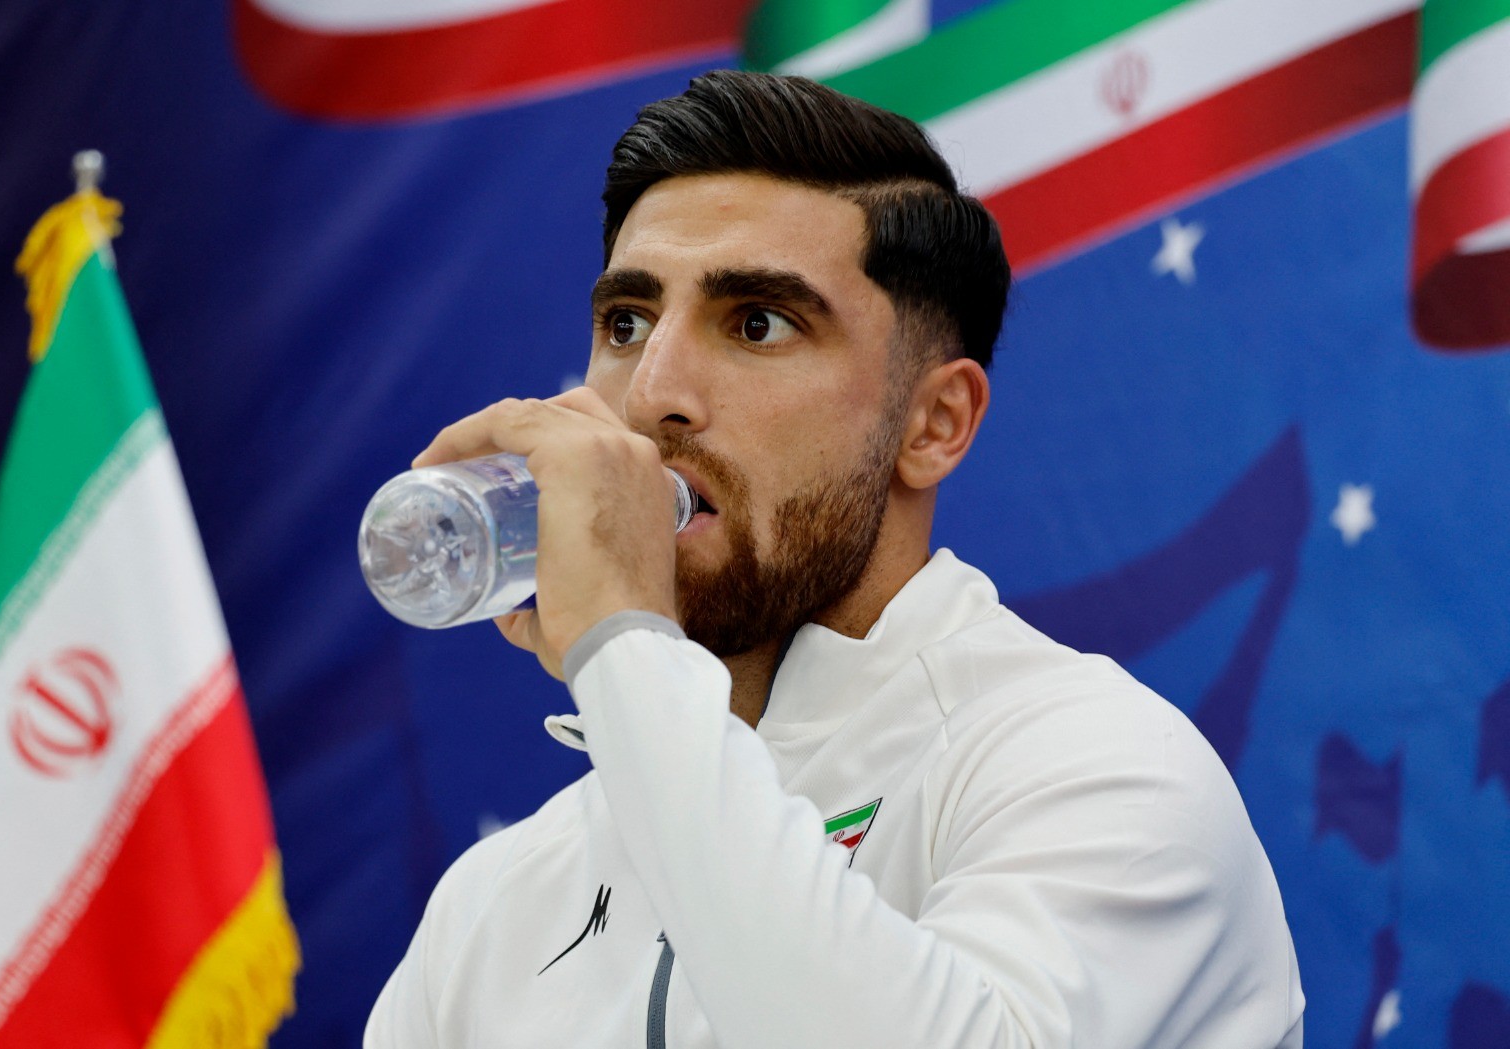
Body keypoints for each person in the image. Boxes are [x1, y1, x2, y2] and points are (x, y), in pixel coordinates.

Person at [366, 70, 1304, 1048]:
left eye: (756, 323)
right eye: (627, 323)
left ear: (933, 423)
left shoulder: (1101, 770)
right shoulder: (490, 905)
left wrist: (621, 644)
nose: (651, 394)